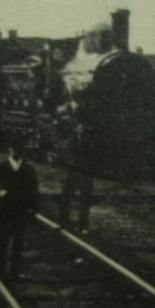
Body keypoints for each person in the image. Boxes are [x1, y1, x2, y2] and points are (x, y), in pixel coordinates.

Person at [0, 142, 40, 280]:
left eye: (17, 150)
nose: (14, 153)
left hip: (20, 208)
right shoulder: (3, 167)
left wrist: (33, 209)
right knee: (2, 238)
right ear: (10, 151)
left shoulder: (28, 169)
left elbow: (34, 190)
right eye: (13, 150)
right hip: (6, 207)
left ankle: (16, 270)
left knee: (18, 240)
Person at [55, 100, 96, 234]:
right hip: (76, 170)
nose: (80, 129)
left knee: (84, 199)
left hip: (86, 171)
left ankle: (83, 225)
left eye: (82, 128)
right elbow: (68, 152)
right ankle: (64, 222)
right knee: (67, 196)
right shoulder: (75, 138)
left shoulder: (89, 139)